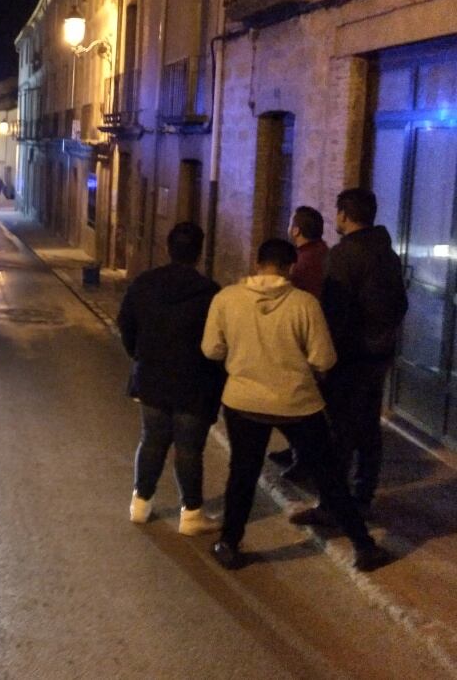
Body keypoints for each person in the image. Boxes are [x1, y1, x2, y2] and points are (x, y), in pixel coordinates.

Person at [202, 238, 388, 572]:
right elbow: (324, 358)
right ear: (290, 268)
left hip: (243, 402)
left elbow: (211, 349)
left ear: (257, 262)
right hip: (297, 402)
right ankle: (363, 545)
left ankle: (229, 544)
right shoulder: (304, 304)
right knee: (328, 475)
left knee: (242, 474)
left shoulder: (226, 299)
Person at [116, 222, 223, 535]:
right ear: (200, 252)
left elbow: (126, 324)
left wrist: (138, 354)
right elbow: (219, 341)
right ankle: (191, 514)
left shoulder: (144, 284)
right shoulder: (210, 293)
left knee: (152, 439)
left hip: (152, 377)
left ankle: (141, 503)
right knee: (189, 448)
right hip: (195, 381)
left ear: (167, 247)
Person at [321, 188, 407, 517]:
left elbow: (335, 309)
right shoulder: (388, 254)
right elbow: (400, 304)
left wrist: (326, 358)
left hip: (349, 358)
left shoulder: (345, 255)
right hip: (378, 356)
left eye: (337, 212)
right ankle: (362, 495)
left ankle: (333, 504)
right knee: (368, 428)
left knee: (339, 432)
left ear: (344, 214)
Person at [269, 205, 330, 479]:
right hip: (317, 337)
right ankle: (296, 451)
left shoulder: (301, 264)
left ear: (296, 230)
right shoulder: (324, 255)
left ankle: (304, 458)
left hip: (305, 342)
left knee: (295, 405)